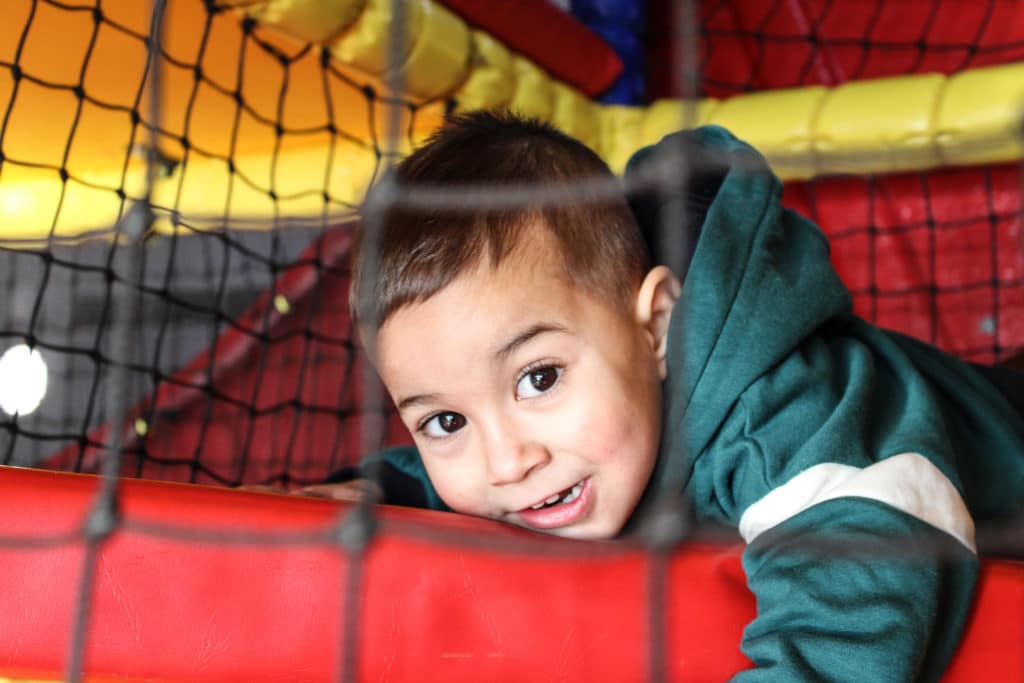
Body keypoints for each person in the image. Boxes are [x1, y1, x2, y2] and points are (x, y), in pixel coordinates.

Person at [315, 110, 1024, 680]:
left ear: (656, 326)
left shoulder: (775, 411)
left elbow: (862, 585)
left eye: (538, 378)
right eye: (445, 419)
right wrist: (380, 485)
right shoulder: (565, 445)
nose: (507, 461)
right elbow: (460, 483)